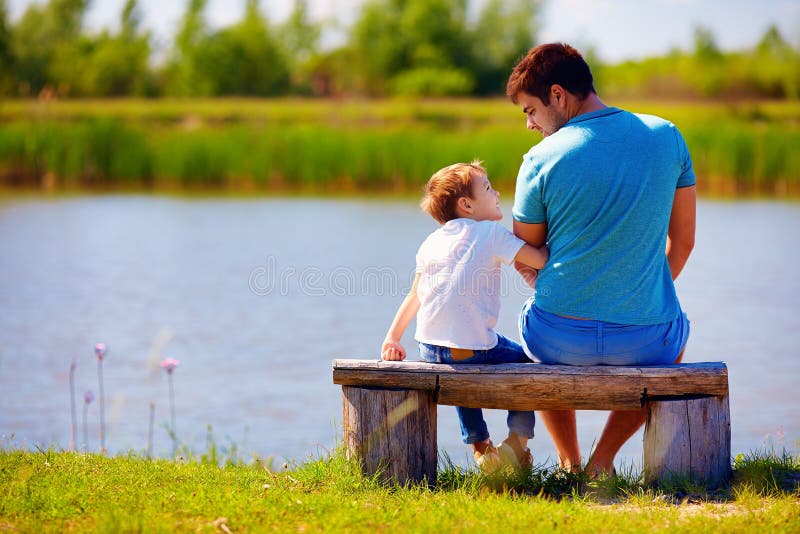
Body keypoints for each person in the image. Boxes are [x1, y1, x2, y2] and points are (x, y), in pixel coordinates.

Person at [506, 43, 696, 477]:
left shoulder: (539, 158)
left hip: (556, 338)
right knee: (679, 334)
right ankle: (602, 462)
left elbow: (526, 253)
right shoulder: (666, 135)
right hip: (647, 341)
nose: (531, 125)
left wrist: (561, 287)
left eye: (530, 111)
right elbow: (682, 243)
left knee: (532, 333)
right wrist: (637, 292)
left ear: (558, 95)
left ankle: (569, 464)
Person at [381, 161, 549, 473]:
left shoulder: (431, 241)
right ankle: (518, 440)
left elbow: (415, 295)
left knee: (459, 361)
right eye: (488, 188)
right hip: (470, 349)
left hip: (429, 349)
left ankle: (480, 446)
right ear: (467, 204)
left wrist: (392, 337)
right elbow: (539, 258)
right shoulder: (490, 233)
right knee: (529, 362)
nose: (497, 192)